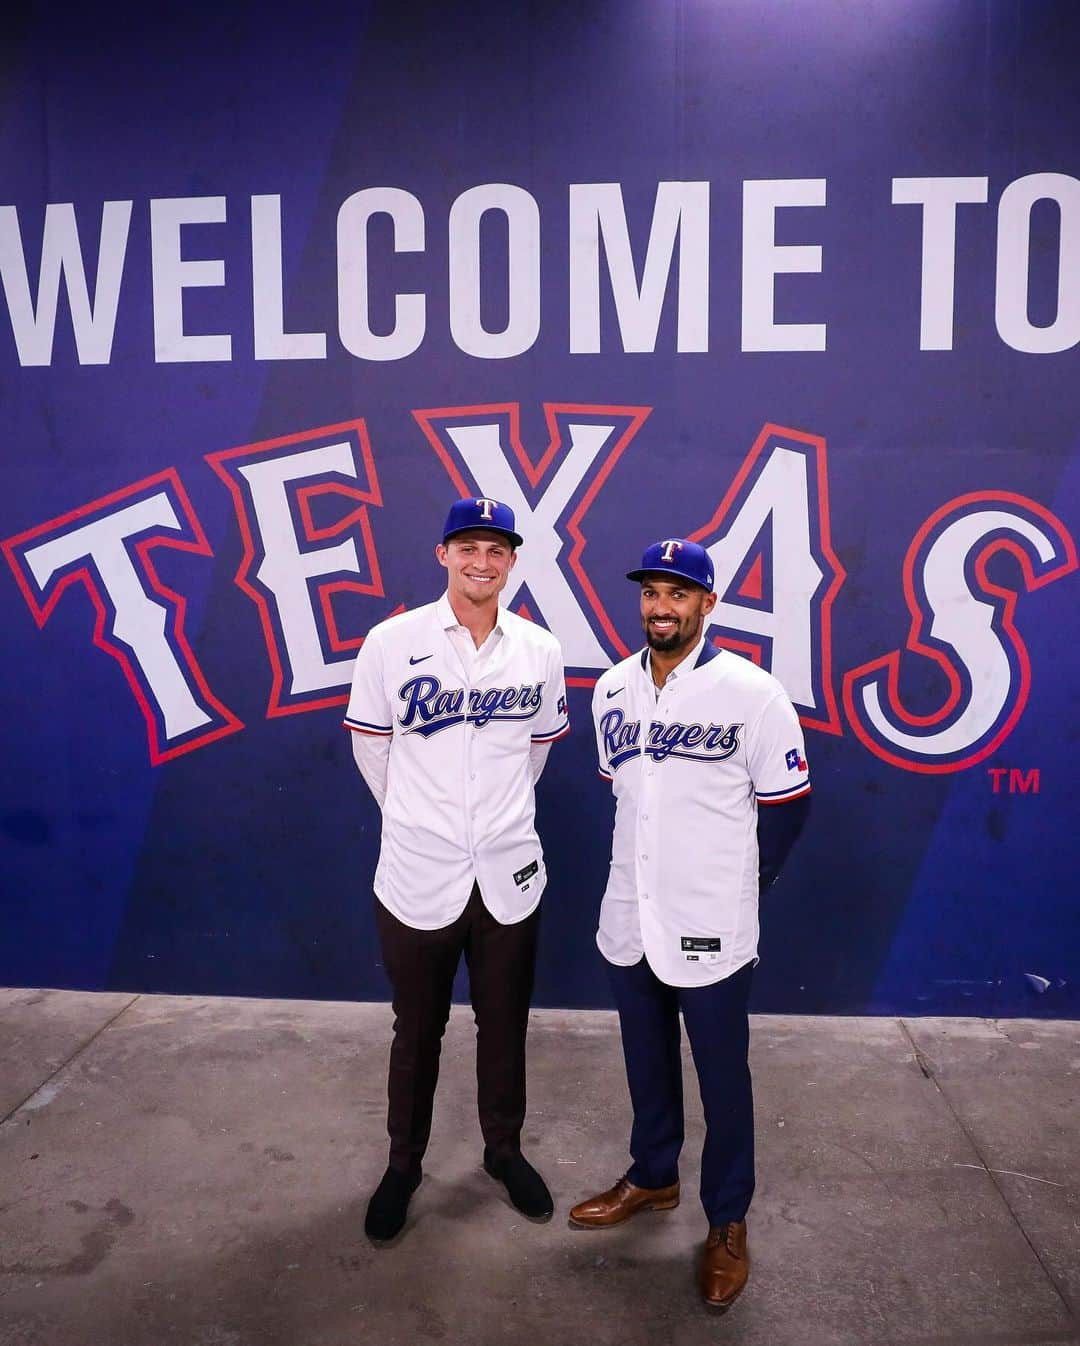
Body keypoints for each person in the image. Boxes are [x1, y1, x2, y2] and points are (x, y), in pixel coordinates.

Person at [570, 538, 811, 1311]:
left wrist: (743, 883)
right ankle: (653, 1175)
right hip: (629, 911)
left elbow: (786, 807)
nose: (661, 607)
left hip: (711, 917)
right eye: (651, 593)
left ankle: (729, 1221)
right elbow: (626, 795)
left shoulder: (754, 693)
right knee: (646, 1058)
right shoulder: (611, 688)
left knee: (721, 1073)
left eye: (679, 594)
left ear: (709, 604)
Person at [345, 497, 569, 1243]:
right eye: (468, 547)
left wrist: (490, 822)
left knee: (505, 1023)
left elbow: (535, 752)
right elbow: (372, 748)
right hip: (417, 872)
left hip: (508, 870)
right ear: (443, 554)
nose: (482, 561)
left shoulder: (538, 648)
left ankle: (503, 1152)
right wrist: (420, 818)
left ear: (512, 562)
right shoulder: (391, 641)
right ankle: (404, 1163)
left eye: (496, 550)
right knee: (419, 1028)